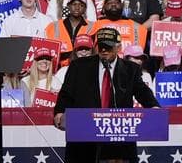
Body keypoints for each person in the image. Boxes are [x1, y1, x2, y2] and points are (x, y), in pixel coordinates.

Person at [54, 27, 159, 163]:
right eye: (101, 46)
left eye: (108, 47)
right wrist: (59, 111)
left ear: (119, 47)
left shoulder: (130, 69)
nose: (104, 50)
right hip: (84, 138)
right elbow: (66, 93)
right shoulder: (78, 66)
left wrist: (153, 107)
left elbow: (142, 91)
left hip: (117, 138)